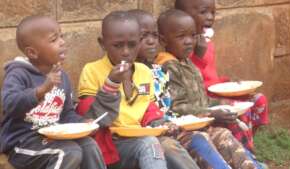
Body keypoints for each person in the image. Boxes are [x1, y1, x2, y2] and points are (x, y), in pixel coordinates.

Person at [156, 9, 262, 169]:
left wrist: (223, 103)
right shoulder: (168, 66)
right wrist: (211, 113)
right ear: (163, 40)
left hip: (202, 125)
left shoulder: (186, 62)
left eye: (192, 36)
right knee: (202, 141)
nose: (189, 41)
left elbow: (201, 99)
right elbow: (176, 107)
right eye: (181, 37)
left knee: (224, 135)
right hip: (181, 133)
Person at [0, 16, 106, 169]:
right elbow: (10, 105)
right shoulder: (18, 74)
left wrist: (81, 123)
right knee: (69, 152)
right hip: (22, 142)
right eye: (54, 39)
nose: (62, 42)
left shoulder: (62, 77)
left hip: (52, 138)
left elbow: (66, 114)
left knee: (89, 145)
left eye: (61, 36)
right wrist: (41, 90)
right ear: (32, 52)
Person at [77, 11, 168, 169]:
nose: (126, 52)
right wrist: (111, 83)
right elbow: (92, 119)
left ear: (139, 42)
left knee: (166, 144)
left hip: (139, 137)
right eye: (118, 45)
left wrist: (159, 123)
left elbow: (147, 107)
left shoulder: (144, 72)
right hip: (109, 144)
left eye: (132, 45)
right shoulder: (92, 70)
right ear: (102, 43)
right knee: (150, 144)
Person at [175, 0, 269, 152]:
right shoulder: (182, 47)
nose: (210, 17)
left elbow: (210, 75)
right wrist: (198, 55)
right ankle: (244, 152)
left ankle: (246, 143)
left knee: (259, 100)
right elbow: (194, 80)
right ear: (184, 16)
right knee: (235, 110)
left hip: (217, 92)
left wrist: (227, 81)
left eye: (213, 12)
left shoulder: (207, 43)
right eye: (203, 12)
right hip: (205, 98)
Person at [128, 9, 201, 169]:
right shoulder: (126, 74)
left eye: (154, 35)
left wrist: (170, 123)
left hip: (167, 126)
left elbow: (166, 106)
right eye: (143, 37)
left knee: (202, 138)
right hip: (143, 134)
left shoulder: (158, 70)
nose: (151, 41)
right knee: (170, 146)